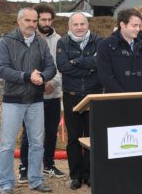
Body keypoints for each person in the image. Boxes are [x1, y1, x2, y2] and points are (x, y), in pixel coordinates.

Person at [0, 8, 56, 194]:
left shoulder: (41, 43)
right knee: (8, 143)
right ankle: (5, 183)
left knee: (37, 143)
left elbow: (51, 67)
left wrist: (42, 77)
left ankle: (36, 180)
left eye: (34, 21)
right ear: (19, 20)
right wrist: (28, 76)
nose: (31, 24)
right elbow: (1, 69)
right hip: (13, 100)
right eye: (27, 20)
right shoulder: (6, 41)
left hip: (36, 100)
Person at [56, 12, 104, 190]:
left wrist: (75, 62)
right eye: (75, 24)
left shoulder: (99, 40)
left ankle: (89, 174)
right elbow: (63, 66)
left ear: (87, 23)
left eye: (82, 24)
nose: (79, 27)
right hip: (72, 96)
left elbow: (100, 62)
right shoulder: (62, 42)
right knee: (74, 138)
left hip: (94, 95)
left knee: (92, 137)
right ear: (69, 26)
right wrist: (88, 67)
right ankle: (75, 176)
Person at [19, 4, 65, 184]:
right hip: (31, 95)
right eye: (42, 19)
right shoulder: (28, 39)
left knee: (51, 132)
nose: (46, 23)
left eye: (49, 19)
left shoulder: (59, 40)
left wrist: (53, 83)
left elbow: (62, 67)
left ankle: (48, 164)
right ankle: (25, 167)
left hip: (52, 94)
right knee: (29, 133)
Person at [97, 8, 142, 93]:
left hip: (141, 101)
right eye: (134, 25)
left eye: (139, 26)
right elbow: (106, 77)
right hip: (115, 102)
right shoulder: (105, 45)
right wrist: (124, 97)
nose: (138, 29)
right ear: (122, 24)